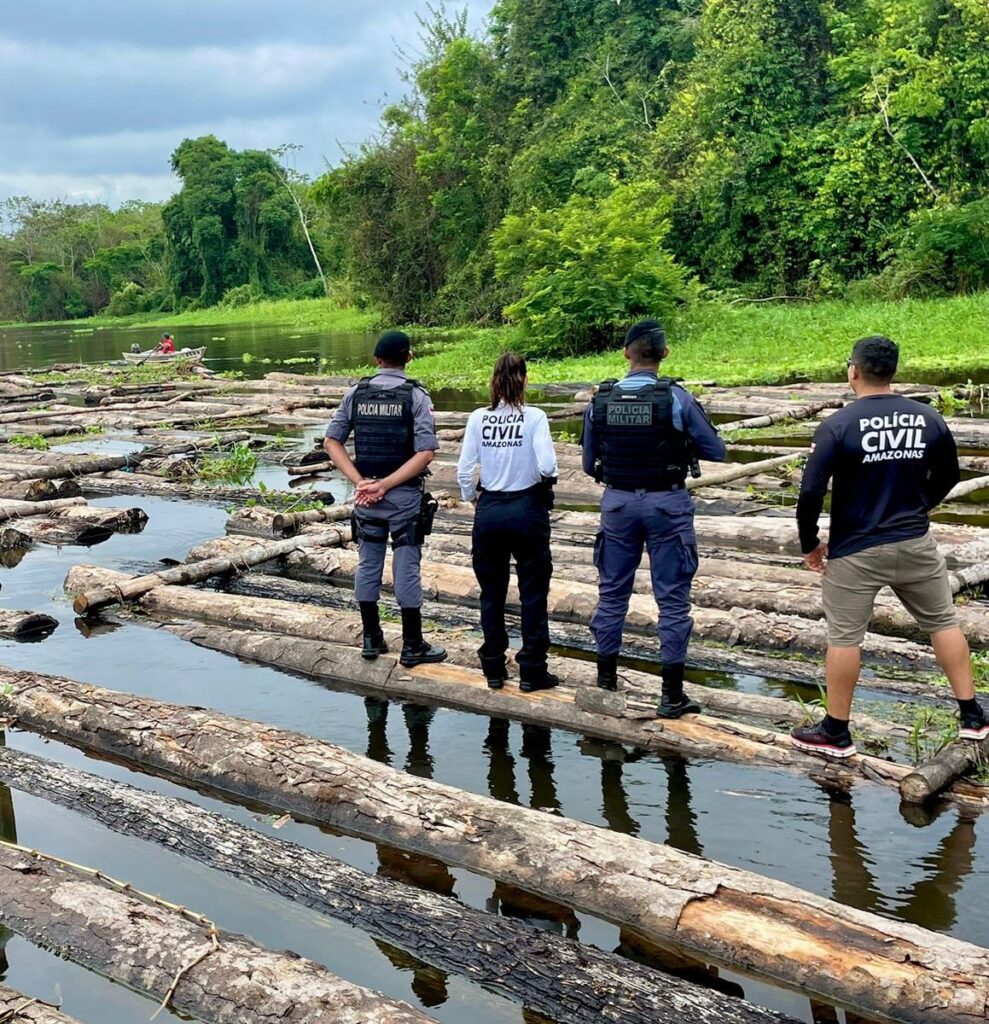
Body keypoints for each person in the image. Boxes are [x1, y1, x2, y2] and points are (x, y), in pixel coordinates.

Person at [792, 335, 988, 757]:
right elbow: (950, 474)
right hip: (914, 541)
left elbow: (810, 493)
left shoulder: (838, 425)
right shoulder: (926, 417)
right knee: (943, 623)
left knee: (845, 638)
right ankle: (973, 716)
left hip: (855, 550)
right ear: (892, 372)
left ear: (853, 371)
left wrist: (810, 544)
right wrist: (921, 505)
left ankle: (836, 731)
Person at [581, 319, 726, 717]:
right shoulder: (677, 397)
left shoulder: (601, 399)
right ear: (664, 353)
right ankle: (671, 695)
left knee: (612, 595)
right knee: (673, 601)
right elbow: (717, 450)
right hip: (667, 504)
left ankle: (606, 684)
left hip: (618, 505)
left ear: (627, 353)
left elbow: (587, 462)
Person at [325, 330, 447, 668]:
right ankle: (412, 645)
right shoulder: (416, 397)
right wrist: (386, 484)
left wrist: (361, 482)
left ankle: (371, 638)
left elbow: (331, 443)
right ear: (408, 357)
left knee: (368, 564)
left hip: (366, 499)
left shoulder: (355, 393)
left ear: (377, 359)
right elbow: (425, 453)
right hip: (403, 497)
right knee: (406, 567)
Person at [456, 352, 559, 691]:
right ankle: (532, 669)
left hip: (491, 509)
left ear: (494, 381)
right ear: (525, 379)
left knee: (492, 593)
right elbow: (547, 466)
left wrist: (472, 498)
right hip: (526, 508)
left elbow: (464, 469)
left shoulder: (478, 418)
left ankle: (494, 668)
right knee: (532, 591)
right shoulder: (534, 417)